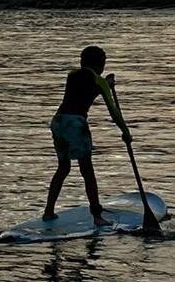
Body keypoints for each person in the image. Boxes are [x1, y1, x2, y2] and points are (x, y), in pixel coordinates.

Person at [43, 45, 132, 226]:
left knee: (63, 168)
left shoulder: (72, 75)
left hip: (58, 121)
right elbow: (114, 112)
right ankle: (97, 216)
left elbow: (85, 86)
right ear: (101, 65)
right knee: (87, 170)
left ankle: (48, 211)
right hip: (75, 123)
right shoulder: (99, 82)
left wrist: (106, 84)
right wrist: (126, 132)